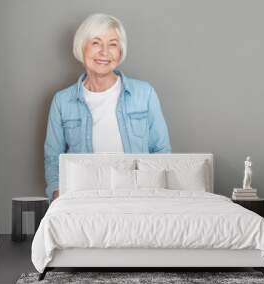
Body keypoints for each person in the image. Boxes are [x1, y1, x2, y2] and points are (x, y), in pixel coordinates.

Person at [44, 13, 172, 201]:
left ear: (120, 52)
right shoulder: (62, 101)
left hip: (138, 199)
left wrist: (155, 199)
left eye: (112, 44)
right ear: (82, 48)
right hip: (84, 201)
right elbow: (53, 159)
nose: (104, 52)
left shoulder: (144, 94)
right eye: (96, 43)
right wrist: (59, 197)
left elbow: (162, 152)